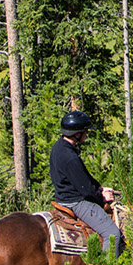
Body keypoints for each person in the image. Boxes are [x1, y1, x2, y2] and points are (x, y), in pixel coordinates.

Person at [50, 109, 122, 256]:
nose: (87, 134)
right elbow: (86, 190)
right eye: (85, 132)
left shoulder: (59, 147)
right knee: (112, 234)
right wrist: (102, 198)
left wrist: (100, 188)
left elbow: (84, 177)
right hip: (75, 202)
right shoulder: (70, 157)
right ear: (77, 134)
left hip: (63, 197)